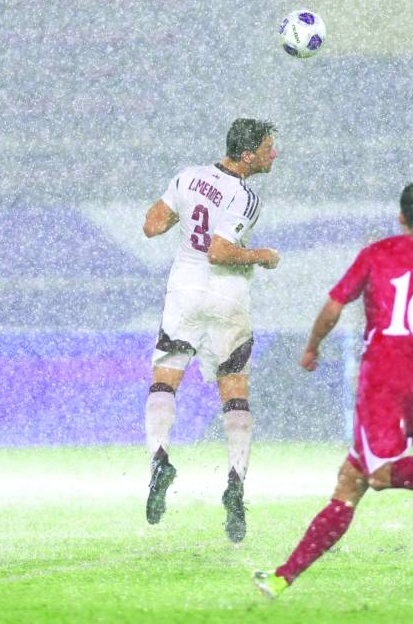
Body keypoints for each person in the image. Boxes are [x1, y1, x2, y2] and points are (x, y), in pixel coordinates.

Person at [252, 181, 413, 599]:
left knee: (377, 472)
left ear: (401, 217)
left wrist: (311, 346)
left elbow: (333, 307)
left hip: (382, 382)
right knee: (350, 482)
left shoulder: (377, 255)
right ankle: (283, 576)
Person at [141, 118, 280, 543]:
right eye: (268, 148)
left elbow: (152, 225)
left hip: (184, 290)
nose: (274, 155)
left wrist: (183, 209)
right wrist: (262, 255)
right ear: (247, 154)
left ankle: (159, 461)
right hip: (226, 297)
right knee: (234, 391)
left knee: (165, 381)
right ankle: (236, 482)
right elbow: (221, 252)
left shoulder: (188, 176)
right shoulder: (245, 196)